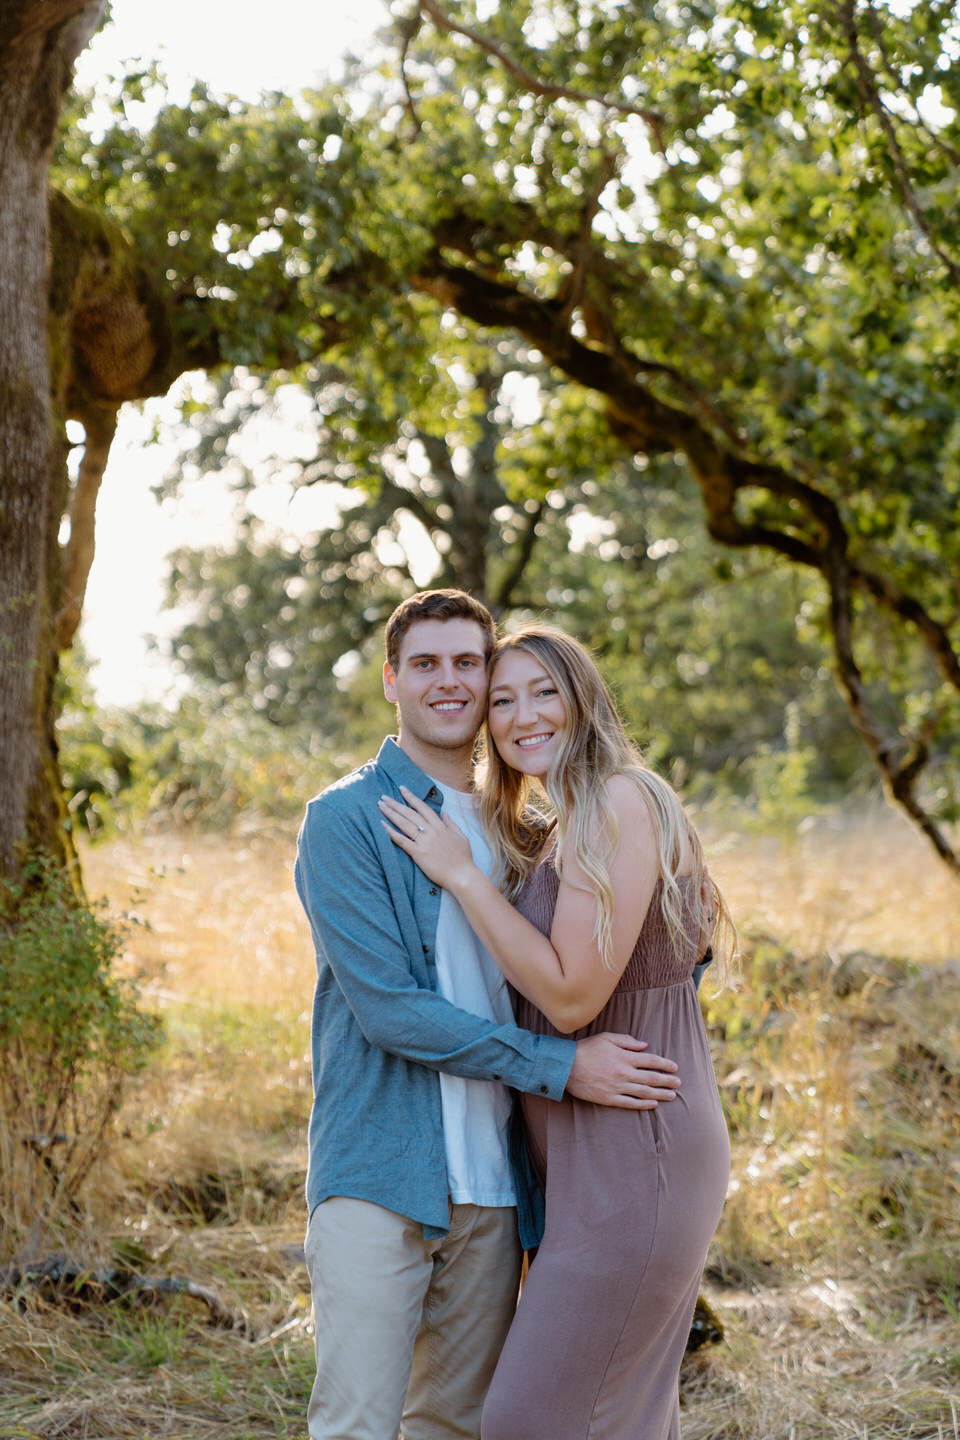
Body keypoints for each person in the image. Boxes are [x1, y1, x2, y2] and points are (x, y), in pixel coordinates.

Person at [294, 591, 688, 1440]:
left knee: (461, 1425)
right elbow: (391, 1011)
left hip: (501, 1187)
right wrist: (563, 1068)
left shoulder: (529, 830)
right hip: (380, 1173)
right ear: (391, 680)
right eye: (426, 665)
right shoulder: (348, 819)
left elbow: (590, 966)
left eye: (467, 664)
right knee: (357, 1423)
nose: (450, 683)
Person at [379, 623, 735, 1440]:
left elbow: (573, 999)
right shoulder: (559, 825)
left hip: (634, 1150)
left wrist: (463, 875)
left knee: (530, 1417)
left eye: (544, 691)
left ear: (584, 699)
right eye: (501, 700)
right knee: (618, 1414)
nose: (521, 715)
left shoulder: (620, 798)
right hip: (582, 1163)